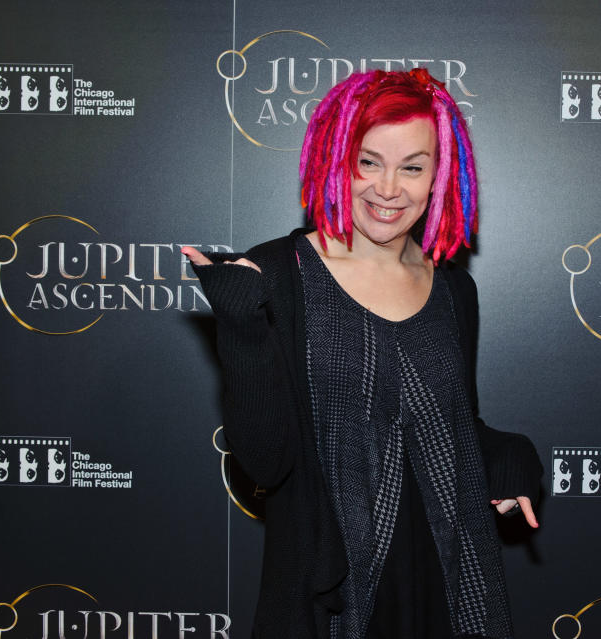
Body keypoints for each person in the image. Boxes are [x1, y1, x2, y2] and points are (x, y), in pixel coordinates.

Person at [182, 68, 541, 639]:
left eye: (413, 167)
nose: (389, 188)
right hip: (332, 596)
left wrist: (508, 455)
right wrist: (244, 331)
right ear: (335, 158)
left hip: (450, 584)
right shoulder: (277, 275)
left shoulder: (453, 288)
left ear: (440, 177)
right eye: (368, 161)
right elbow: (266, 462)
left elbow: (444, 425)